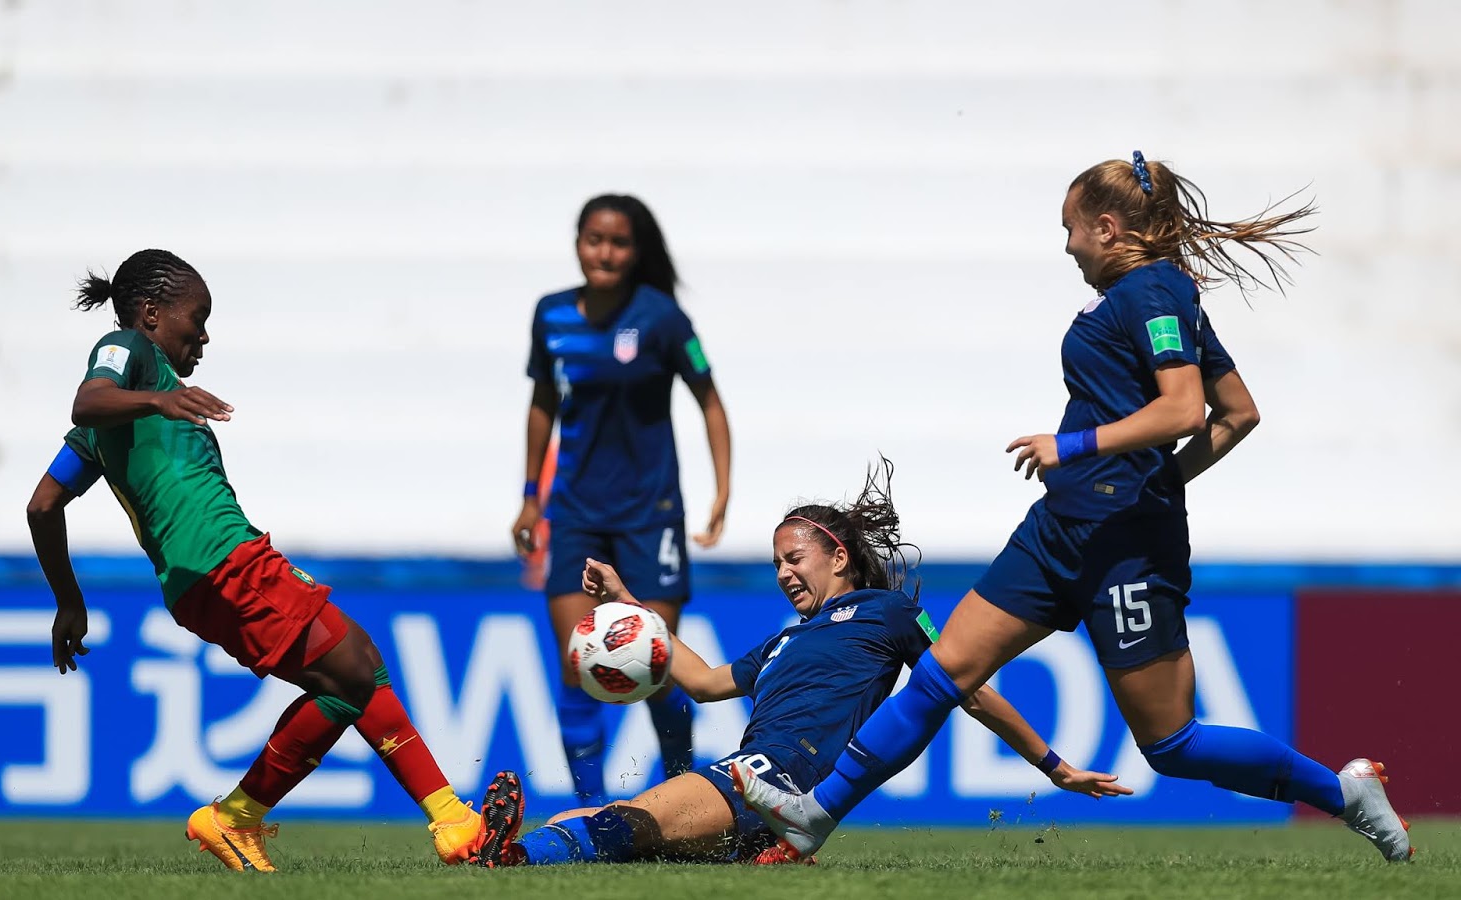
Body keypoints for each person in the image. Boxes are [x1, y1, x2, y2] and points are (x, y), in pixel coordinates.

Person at [734, 152, 1414, 863]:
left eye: (1071, 229)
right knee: (942, 674)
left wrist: (1077, 447)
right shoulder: (1139, 296)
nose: (1067, 246)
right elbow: (1238, 412)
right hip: (1058, 531)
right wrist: (1158, 478)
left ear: (1108, 228)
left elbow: (1190, 409)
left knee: (1172, 744)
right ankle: (816, 814)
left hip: (1124, 546)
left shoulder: (1154, 291)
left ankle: (1346, 794)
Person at [24, 249, 524, 871]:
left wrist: (69, 602)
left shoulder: (100, 437)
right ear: (151, 313)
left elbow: (43, 505)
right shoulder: (130, 350)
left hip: (208, 574)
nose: (204, 336)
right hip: (223, 563)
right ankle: (245, 818)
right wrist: (158, 401)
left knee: (352, 674)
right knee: (354, 667)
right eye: (197, 319)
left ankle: (448, 822)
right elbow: (89, 397)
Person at [478, 460, 1128, 867]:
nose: (785, 573)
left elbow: (970, 689)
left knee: (626, 824)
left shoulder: (888, 612)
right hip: (750, 787)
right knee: (585, 824)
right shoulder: (783, 642)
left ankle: (509, 859)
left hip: (777, 778)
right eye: (777, 564)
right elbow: (703, 682)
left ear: (839, 557)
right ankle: (499, 849)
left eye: (795, 559)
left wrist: (1053, 765)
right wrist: (628, 603)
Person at [510, 194, 733, 805]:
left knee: (654, 664)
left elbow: (710, 400)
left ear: (636, 251)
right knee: (576, 665)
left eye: (618, 242)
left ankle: (686, 800)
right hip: (575, 515)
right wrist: (529, 497)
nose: (604, 253)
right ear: (577, 243)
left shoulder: (663, 319)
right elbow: (542, 404)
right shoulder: (552, 314)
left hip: (649, 516)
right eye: (594, 239)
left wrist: (722, 490)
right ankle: (591, 813)